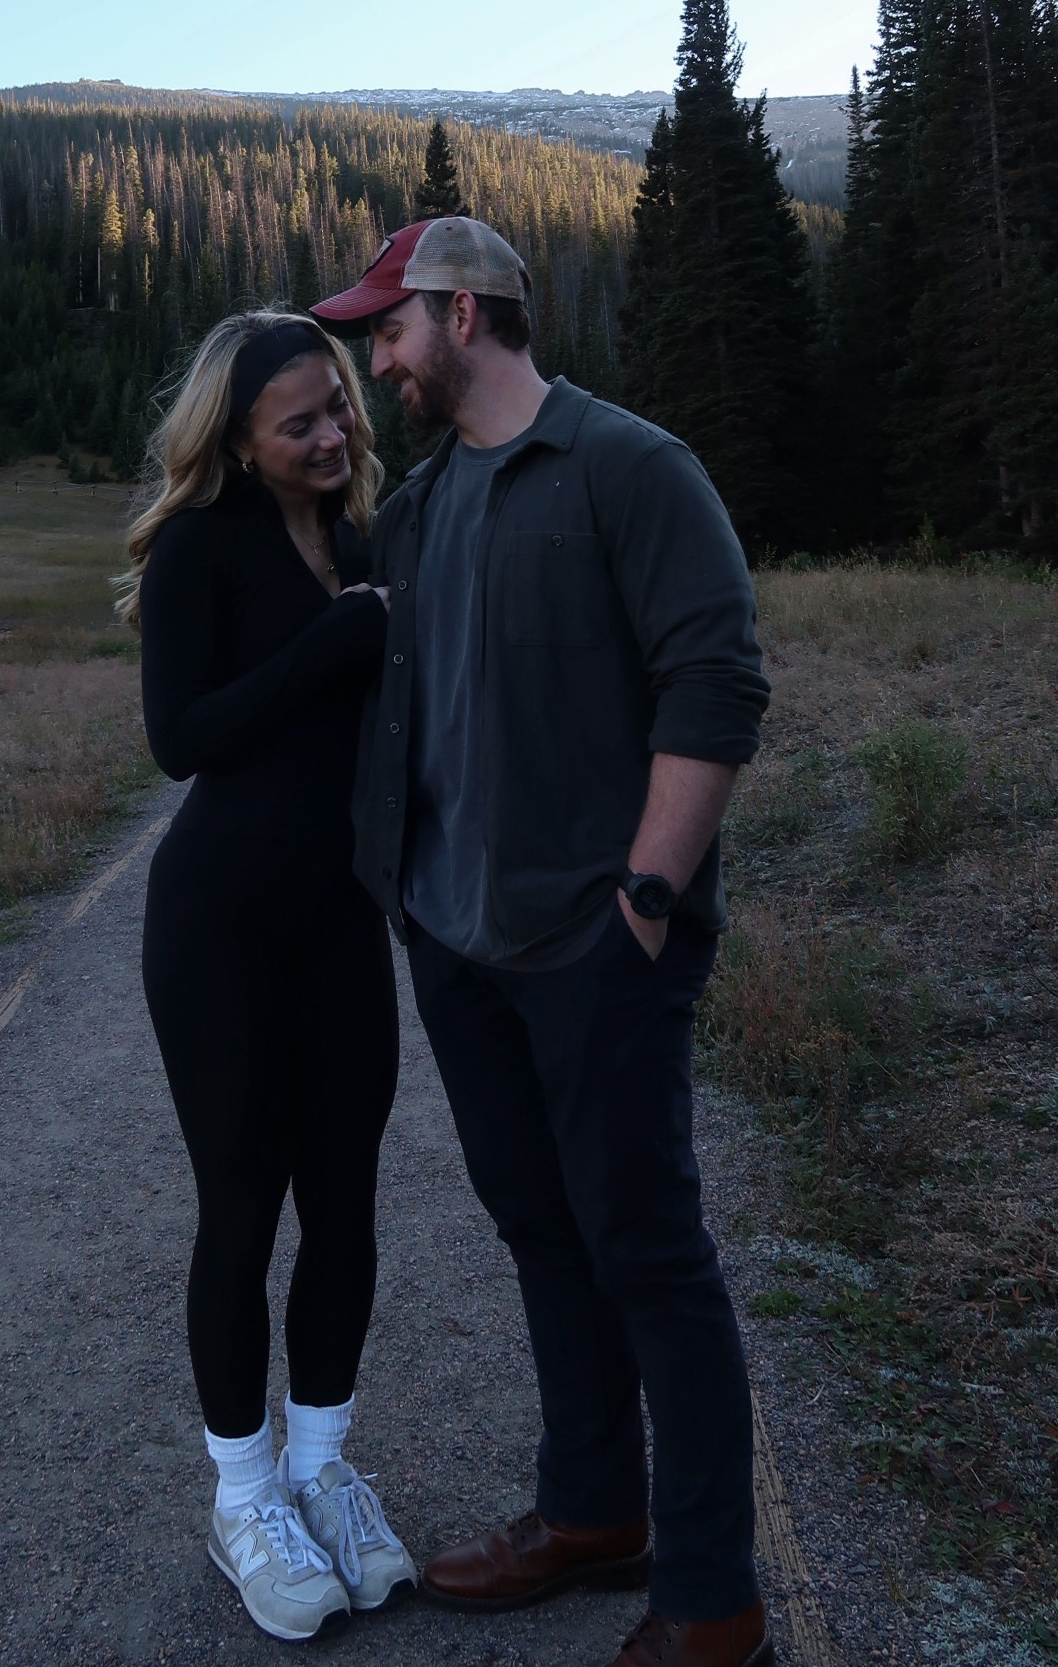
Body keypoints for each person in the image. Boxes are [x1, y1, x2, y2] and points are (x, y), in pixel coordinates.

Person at [312, 219, 775, 1667]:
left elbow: (717, 685)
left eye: (388, 329)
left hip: (597, 951)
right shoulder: (422, 508)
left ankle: (711, 1601)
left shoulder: (632, 468)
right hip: (457, 945)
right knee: (539, 1230)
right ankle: (592, 1514)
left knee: (648, 1251)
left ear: (462, 313)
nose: (376, 359)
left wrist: (643, 903)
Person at [116, 311, 416, 1642]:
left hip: (341, 923)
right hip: (220, 932)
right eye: (300, 424)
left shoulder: (356, 538)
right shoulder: (201, 548)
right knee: (243, 1209)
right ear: (237, 439)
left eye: (339, 410)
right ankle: (242, 1498)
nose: (333, 436)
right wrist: (332, 646)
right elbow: (182, 739)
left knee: (345, 1207)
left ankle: (318, 1471)